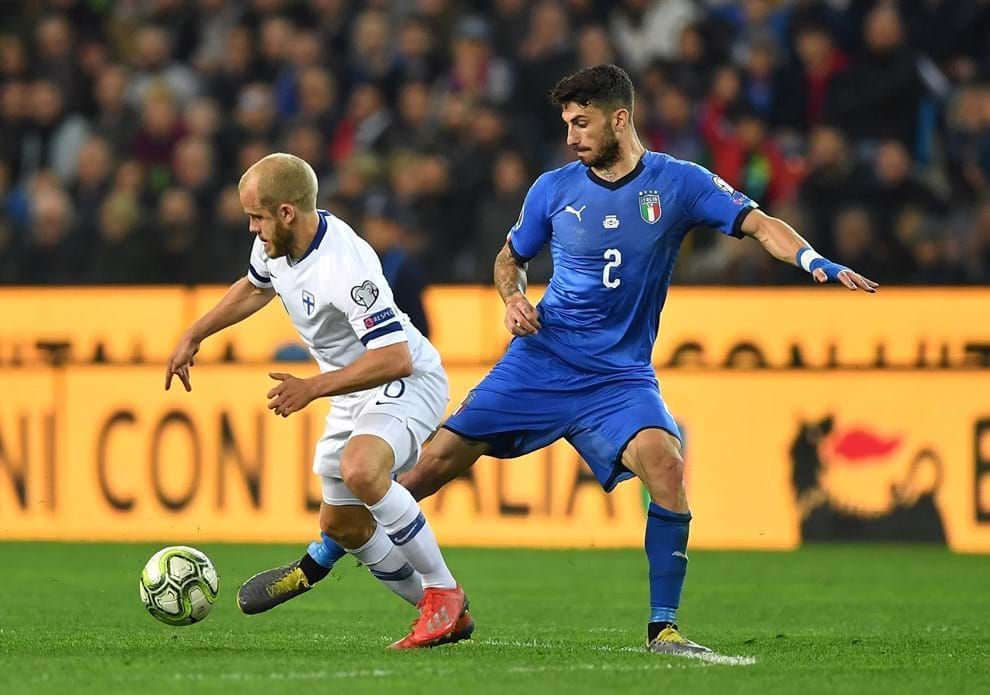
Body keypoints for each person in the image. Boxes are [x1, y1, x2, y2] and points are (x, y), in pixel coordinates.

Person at [240, 65, 877, 656]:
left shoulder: (679, 183)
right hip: (539, 361)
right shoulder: (553, 189)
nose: (571, 136)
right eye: (567, 124)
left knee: (665, 460)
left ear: (620, 119)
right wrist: (513, 296)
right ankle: (325, 552)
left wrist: (816, 261)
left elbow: (760, 223)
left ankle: (664, 627)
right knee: (426, 469)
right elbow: (508, 257)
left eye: (582, 123)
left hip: (618, 376)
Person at [164, 153, 471, 649]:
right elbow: (254, 287)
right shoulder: (277, 247)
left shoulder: (345, 266)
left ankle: (444, 593)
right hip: (351, 387)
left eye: (257, 217)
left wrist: (311, 387)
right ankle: (437, 611)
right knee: (344, 525)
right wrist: (194, 333)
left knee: (362, 468)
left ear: (287, 212)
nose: (251, 229)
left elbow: (395, 358)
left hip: (407, 379)